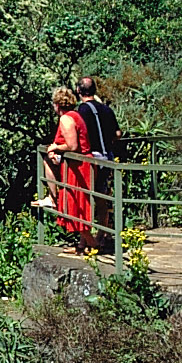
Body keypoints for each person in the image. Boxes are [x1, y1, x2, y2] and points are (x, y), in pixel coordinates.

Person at [43, 87, 95, 251]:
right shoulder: (75, 115)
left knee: (76, 205)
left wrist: (56, 148)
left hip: (79, 167)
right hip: (77, 165)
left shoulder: (66, 119)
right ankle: (82, 244)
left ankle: (93, 244)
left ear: (57, 104)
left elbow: (72, 145)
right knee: (77, 202)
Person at [76, 75, 124, 238]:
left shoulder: (82, 110)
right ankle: (102, 235)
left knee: (86, 197)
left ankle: (86, 238)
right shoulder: (106, 109)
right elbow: (118, 133)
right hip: (107, 156)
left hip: (91, 158)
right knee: (102, 196)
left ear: (78, 91)